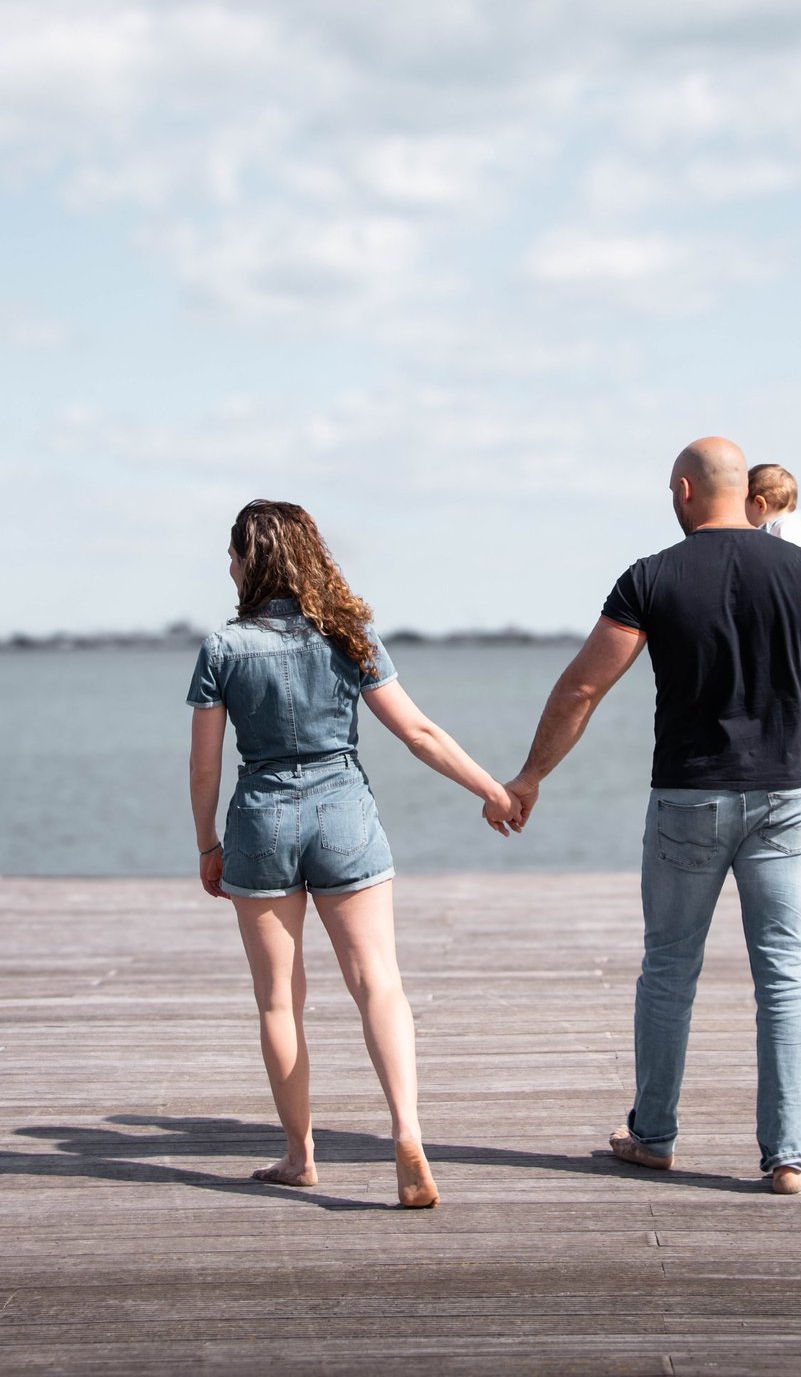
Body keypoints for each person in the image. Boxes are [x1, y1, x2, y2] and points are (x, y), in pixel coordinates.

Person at [503, 438, 801, 1194]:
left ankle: (654, 1135)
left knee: (669, 970)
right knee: (785, 977)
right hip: (787, 798)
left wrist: (531, 775)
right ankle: (789, 1157)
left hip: (688, 798)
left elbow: (582, 689)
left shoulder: (651, 577)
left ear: (689, 492)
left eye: (672, 490)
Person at [188, 499, 521, 1207]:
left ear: (251, 563)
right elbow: (419, 733)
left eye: (234, 553)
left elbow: (205, 767)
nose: (229, 564)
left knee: (279, 1003)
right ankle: (406, 1132)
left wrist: (208, 844)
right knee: (379, 984)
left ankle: (300, 1156)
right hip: (345, 814)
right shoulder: (350, 631)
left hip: (262, 820)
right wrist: (491, 789)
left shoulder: (223, 646)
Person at [746, 462, 801, 763]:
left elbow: (793, 565)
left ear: (759, 503)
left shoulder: (782, 527)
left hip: (791, 613)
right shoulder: (798, 521)